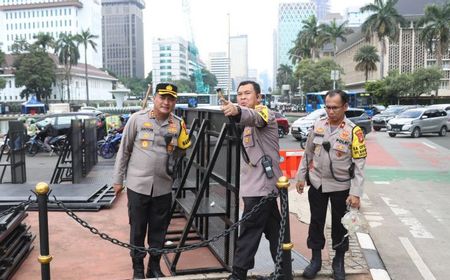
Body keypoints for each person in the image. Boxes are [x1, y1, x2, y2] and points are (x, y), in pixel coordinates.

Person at [112, 83, 191, 280]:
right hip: (138, 185)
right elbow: (124, 150)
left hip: (163, 186)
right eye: (162, 97)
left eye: (171, 99)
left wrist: (184, 145)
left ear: (174, 101)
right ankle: (138, 269)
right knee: (138, 229)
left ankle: (153, 267)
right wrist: (118, 179)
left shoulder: (177, 124)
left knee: (159, 230)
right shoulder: (137, 119)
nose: (166, 102)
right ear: (154, 98)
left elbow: (181, 153)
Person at [295, 89, 366, 280]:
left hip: (341, 187)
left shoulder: (354, 132)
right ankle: (316, 260)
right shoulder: (318, 125)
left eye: (335, 107)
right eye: (327, 107)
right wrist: (301, 177)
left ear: (345, 107)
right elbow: (307, 153)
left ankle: (338, 261)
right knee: (316, 223)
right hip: (317, 183)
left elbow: (359, 166)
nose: (331, 111)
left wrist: (356, 193)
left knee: (339, 226)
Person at [220, 81, 283, 280]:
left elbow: (255, 116)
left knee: (249, 231)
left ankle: (238, 274)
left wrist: (237, 110)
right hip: (256, 186)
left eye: (248, 93)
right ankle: (283, 271)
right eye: (239, 94)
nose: (243, 97)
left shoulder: (264, 114)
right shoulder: (246, 123)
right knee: (275, 231)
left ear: (259, 97)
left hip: (261, 187)